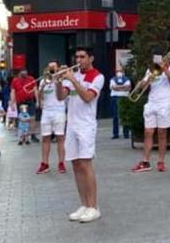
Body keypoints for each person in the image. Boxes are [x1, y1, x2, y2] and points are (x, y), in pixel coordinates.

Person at [59, 46, 104, 223]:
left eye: (82, 57)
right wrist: (57, 80)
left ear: (91, 58)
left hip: (86, 125)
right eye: (76, 57)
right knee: (75, 164)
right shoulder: (73, 75)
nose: (78, 60)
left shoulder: (98, 77)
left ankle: (94, 206)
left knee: (86, 164)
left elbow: (87, 97)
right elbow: (60, 97)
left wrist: (72, 80)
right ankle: (84, 204)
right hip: (71, 124)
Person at [132, 54, 170, 173]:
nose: (156, 60)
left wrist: (164, 68)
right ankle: (145, 161)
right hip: (151, 103)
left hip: (165, 103)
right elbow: (142, 86)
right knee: (148, 132)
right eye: (155, 59)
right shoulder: (150, 69)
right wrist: (147, 79)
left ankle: (161, 162)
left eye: (158, 58)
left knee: (162, 133)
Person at [37, 62, 68, 173]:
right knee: (45, 138)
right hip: (46, 111)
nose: (52, 70)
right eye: (50, 67)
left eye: (54, 68)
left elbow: (60, 97)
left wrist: (58, 80)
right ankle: (45, 163)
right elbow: (40, 97)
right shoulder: (43, 81)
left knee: (60, 137)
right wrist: (43, 86)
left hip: (59, 111)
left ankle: (61, 163)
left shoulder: (62, 80)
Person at [10, 70, 39, 143]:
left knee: (32, 118)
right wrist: (12, 103)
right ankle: (22, 136)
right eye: (23, 72)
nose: (25, 73)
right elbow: (13, 92)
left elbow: (35, 90)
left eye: (25, 72)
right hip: (20, 102)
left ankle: (33, 135)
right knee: (22, 119)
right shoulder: (15, 81)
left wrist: (37, 100)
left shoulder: (31, 79)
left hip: (29, 100)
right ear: (20, 73)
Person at [109, 67, 131, 139]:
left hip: (124, 98)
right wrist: (123, 87)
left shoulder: (127, 79)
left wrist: (117, 87)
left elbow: (128, 88)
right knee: (115, 117)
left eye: (120, 71)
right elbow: (113, 87)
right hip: (115, 98)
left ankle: (126, 134)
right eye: (117, 71)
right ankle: (115, 134)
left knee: (125, 116)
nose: (119, 72)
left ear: (123, 72)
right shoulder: (112, 79)